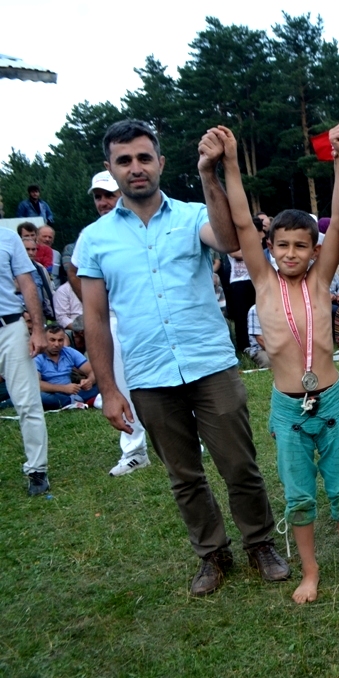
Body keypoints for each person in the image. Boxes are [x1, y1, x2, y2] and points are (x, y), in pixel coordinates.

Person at [77, 120, 288, 596]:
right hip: (149, 374)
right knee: (184, 476)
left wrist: (208, 173)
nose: (135, 168)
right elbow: (95, 318)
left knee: (239, 465)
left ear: (160, 162)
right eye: (124, 161)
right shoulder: (94, 239)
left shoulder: (193, 215)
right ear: (111, 168)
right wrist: (109, 389)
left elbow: (229, 240)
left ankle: (260, 544)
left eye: (143, 157)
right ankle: (212, 554)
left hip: (210, 363)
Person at [219, 121, 339, 603]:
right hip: (288, 408)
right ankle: (310, 571)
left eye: (300, 245)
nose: (290, 253)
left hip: (331, 402)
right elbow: (241, 220)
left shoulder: (320, 279)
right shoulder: (263, 281)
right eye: (282, 245)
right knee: (300, 496)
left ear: (314, 250)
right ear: (269, 248)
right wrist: (230, 163)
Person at [67, 170, 151, 478]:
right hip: (114, 320)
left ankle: (188, 437)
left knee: (175, 379)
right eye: (98, 197)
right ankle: (134, 450)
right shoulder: (92, 234)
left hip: (151, 316)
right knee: (120, 385)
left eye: (109, 195)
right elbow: (73, 270)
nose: (103, 202)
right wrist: (94, 306)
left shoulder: (146, 225)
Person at [0, 226, 50, 495]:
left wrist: (38, 330)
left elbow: (28, 283)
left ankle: (37, 471)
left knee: (27, 401)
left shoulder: (8, 238)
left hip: (9, 327)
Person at [35, 324, 100, 409]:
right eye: (52, 340)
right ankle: (75, 401)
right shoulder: (37, 356)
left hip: (73, 391)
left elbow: (93, 371)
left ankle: (72, 401)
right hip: (51, 393)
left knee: (101, 383)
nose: (57, 344)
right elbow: (36, 384)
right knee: (39, 396)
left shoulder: (69, 352)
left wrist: (89, 381)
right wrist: (64, 388)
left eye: (60, 340)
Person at [244, 304, 272, 369]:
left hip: (282, 347)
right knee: (267, 361)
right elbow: (260, 339)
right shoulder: (255, 310)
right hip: (261, 348)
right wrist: (278, 353)